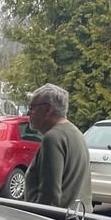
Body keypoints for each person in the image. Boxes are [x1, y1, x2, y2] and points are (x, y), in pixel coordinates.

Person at [23, 83, 92, 211]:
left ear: (48, 109)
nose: (29, 113)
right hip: (77, 219)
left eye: (32, 107)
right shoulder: (76, 132)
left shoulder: (53, 138)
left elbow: (50, 195)